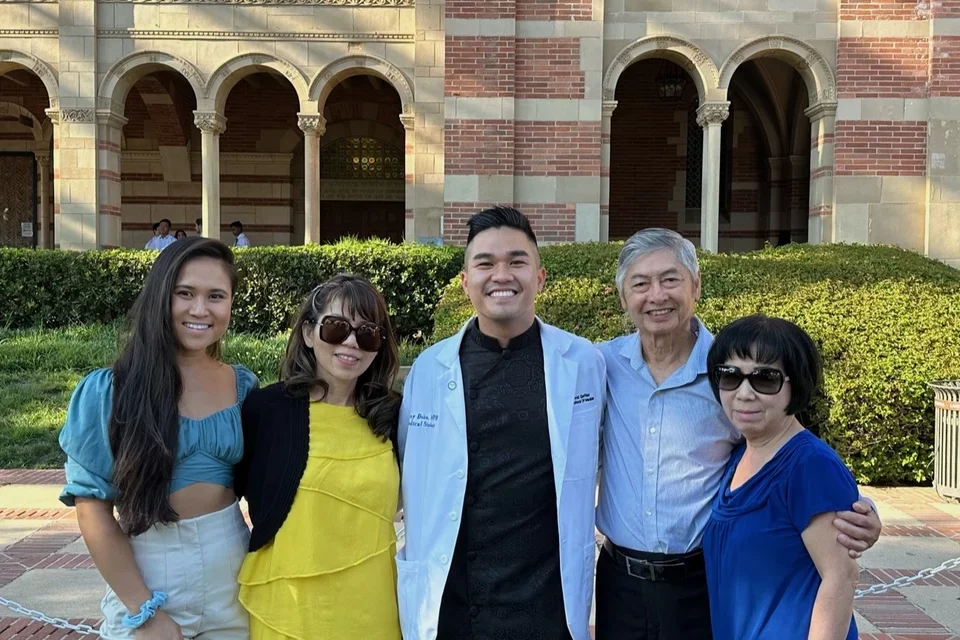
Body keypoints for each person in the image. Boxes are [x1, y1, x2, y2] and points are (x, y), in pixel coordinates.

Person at [594, 228, 881, 640]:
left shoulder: (729, 371)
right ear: (624, 297)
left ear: (696, 286)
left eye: (670, 279)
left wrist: (857, 511)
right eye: (640, 284)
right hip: (620, 582)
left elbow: (791, 450)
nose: (656, 295)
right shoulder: (600, 366)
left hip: (702, 583)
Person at [397, 207, 605, 640]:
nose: (501, 275)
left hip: (548, 605)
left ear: (540, 278)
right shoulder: (431, 370)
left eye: (517, 261)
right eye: (485, 263)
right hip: (456, 604)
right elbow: (406, 470)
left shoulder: (583, 362)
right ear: (465, 281)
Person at [58, 237, 259, 639]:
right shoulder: (110, 390)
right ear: (160, 297)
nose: (200, 310)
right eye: (184, 293)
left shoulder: (245, 387)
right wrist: (143, 611)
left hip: (235, 574)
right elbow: (91, 508)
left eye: (216, 296)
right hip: (150, 573)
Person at [235, 274, 403, 640]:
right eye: (336, 327)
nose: (351, 342)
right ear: (309, 333)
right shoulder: (266, 409)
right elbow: (226, 493)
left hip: (372, 608)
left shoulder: (394, 415)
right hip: (288, 609)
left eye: (367, 333)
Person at [703, 315, 860, 639]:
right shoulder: (737, 457)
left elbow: (840, 577)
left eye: (765, 379)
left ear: (796, 384)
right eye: (731, 376)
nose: (744, 393)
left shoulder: (811, 466)